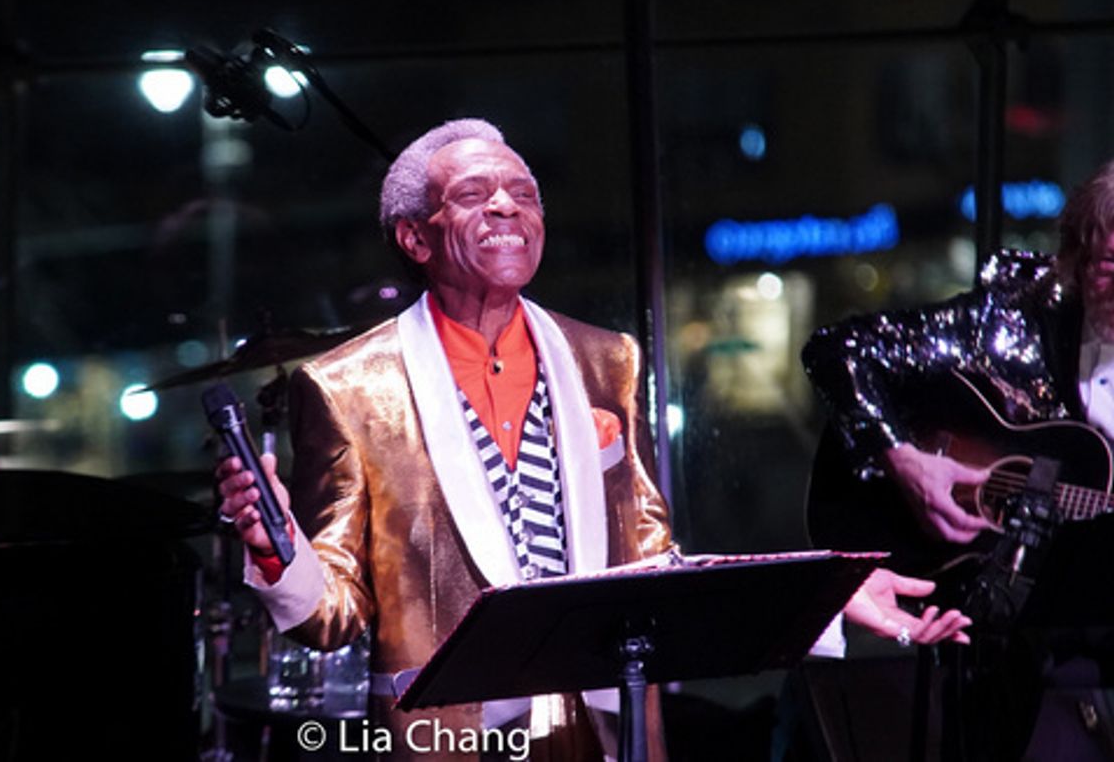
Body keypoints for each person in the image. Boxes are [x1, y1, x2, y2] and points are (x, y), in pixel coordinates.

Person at [218, 118, 969, 759]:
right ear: (415, 235)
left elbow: (649, 562)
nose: (508, 207)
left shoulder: (607, 358)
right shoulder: (347, 387)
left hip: (610, 730)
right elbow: (334, 616)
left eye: (524, 193)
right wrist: (276, 544)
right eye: (475, 195)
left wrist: (823, 596)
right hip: (447, 740)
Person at [802, 161, 1114, 759]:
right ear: (1075, 257)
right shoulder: (1013, 317)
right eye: (1107, 266)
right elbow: (837, 352)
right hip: (992, 626)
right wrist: (903, 458)